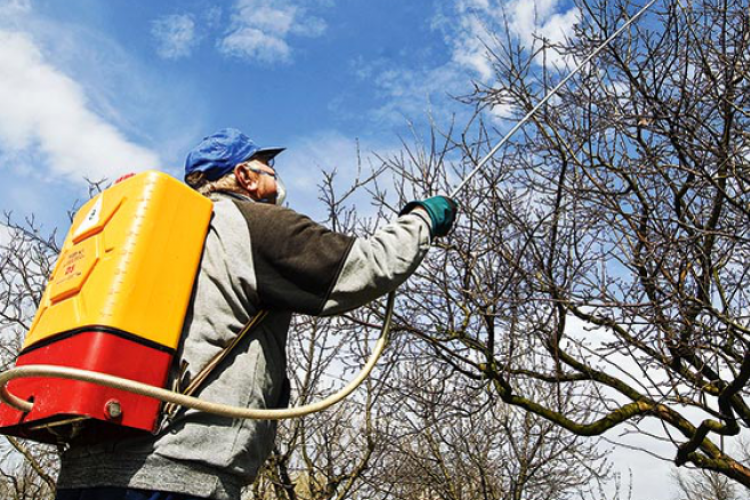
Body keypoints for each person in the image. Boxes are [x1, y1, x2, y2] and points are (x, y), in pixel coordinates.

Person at [54, 128, 457, 500]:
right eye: (269, 169)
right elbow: (366, 266)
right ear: (245, 176)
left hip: (82, 469)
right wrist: (421, 219)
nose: (277, 178)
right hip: (179, 475)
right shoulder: (252, 223)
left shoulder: (149, 234)